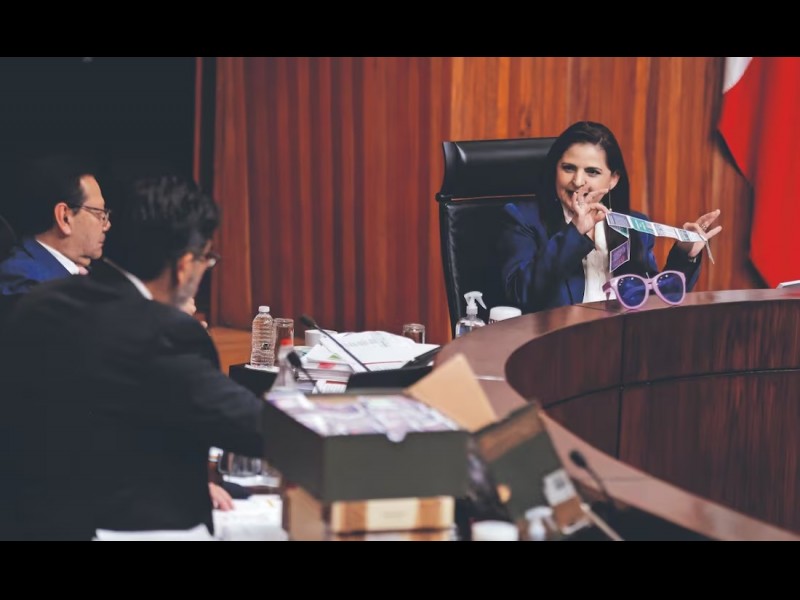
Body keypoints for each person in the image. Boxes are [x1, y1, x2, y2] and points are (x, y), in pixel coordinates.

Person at [0, 174, 266, 540]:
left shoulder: (41, 301)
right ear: (184, 265)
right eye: (207, 259)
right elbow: (254, 428)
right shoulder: (163, 331)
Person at [499, 121, 722, 313]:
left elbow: (653, 301)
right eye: (568, 168)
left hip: (618, 341)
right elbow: (521, 294)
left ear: (613, 179)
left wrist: (685, 255)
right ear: (555, 170)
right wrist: (575, 232)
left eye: (592, 172)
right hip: (556, 343)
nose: (578, 181)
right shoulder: (524, 218)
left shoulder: (632, 226)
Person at [0, 155, 110, 298]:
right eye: (99, 214)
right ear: (64, 218)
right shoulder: (26, 284)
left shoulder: (81, 272)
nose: (107, 225)